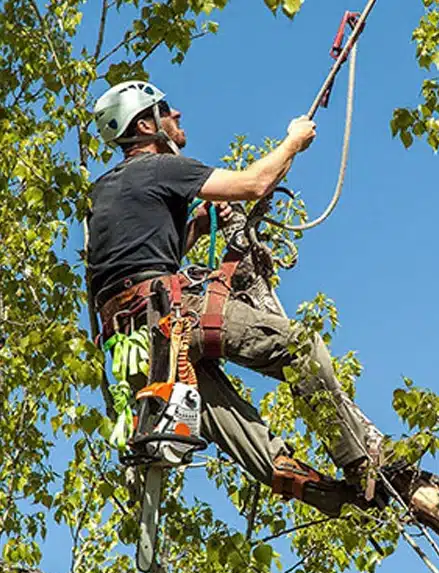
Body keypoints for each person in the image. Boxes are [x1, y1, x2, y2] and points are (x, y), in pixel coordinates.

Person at [89, 80, 397, 517]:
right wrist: (293, 141)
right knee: (299, 347)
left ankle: (339, 503)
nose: (176, 116)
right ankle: (360, 462)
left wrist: (197, 221)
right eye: (166, 110)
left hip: (134, 349)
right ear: (146, 124)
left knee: (236, 428)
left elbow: (141, 256)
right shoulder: (161, 168)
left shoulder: (106, 190)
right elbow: (255, 183)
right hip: (172, 317)